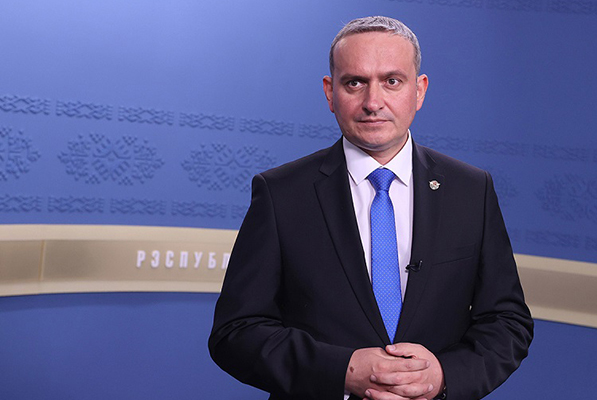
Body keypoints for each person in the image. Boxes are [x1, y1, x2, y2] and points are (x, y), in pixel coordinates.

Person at [209, 16, 533, 400]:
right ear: (330, 92)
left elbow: (507, 321)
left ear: (419, 91)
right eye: (354, 83)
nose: (373, 102)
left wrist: (442, 376)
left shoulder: (471, 190)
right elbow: (236, 331)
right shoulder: (281, 193)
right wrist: (343, 371)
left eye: (392, 81)